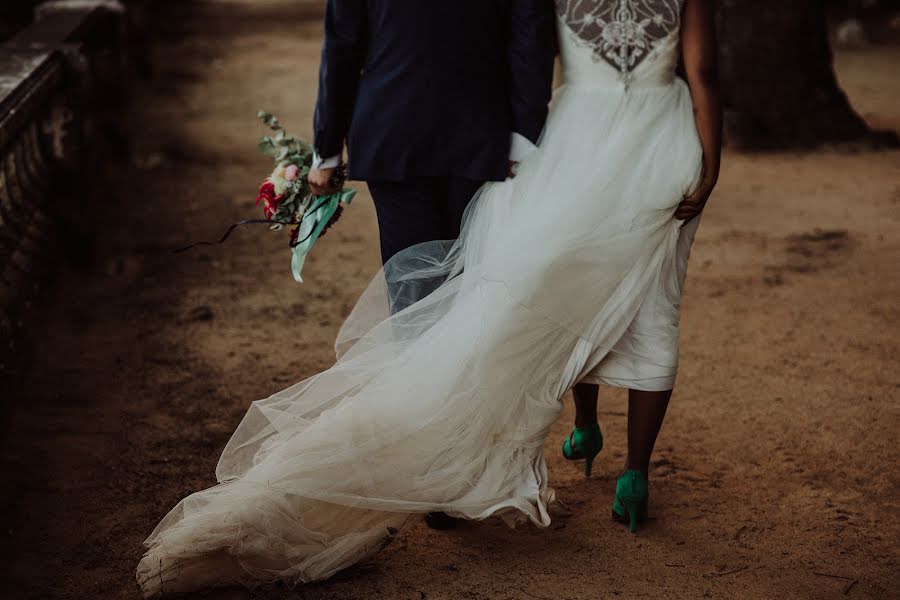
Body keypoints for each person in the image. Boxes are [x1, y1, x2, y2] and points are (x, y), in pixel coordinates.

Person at [136, 0, 722, 596]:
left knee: (417, 302)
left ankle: (436, 473)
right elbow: (529, 41)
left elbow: (343, 45)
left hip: (394, 133)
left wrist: (326, 151)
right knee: (490, 298)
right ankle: (466, 469)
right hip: (489, 139)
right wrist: (523, 134)